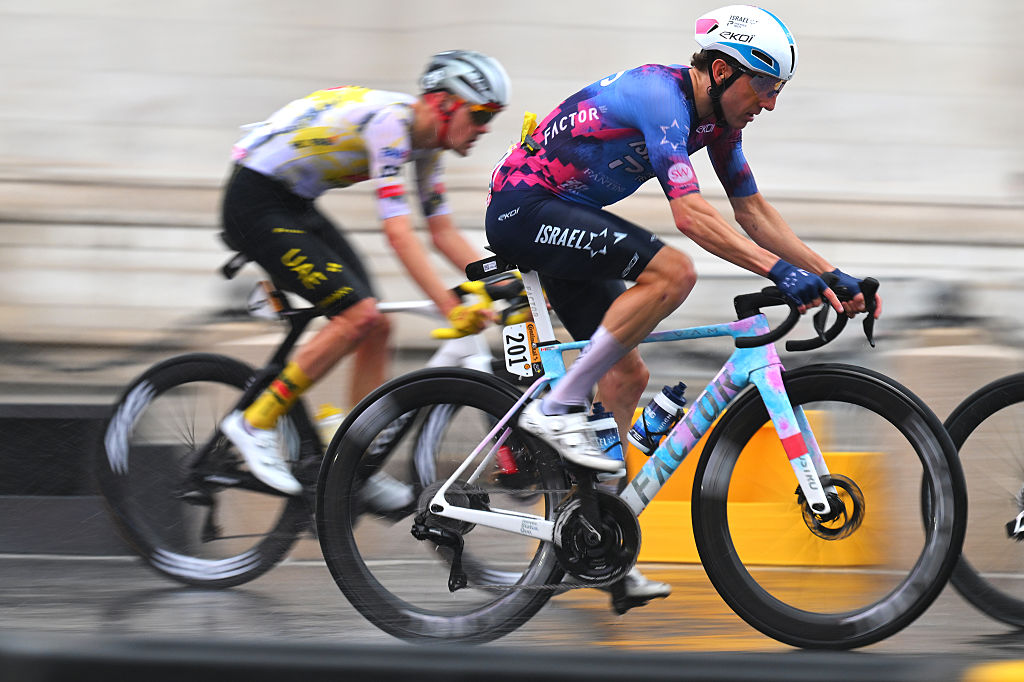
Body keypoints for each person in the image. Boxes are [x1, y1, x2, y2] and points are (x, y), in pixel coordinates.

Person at [485, 5, 881, 607]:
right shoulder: (660, 96)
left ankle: (597, 545)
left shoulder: (718, 126)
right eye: (764, 85)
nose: (770, 103)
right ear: (722, 71)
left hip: (563, 219)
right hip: (523, 210)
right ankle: (558, 406)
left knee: (626, 374)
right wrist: (779, 271)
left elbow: (752, 211)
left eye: (777, 90)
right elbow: (690, 215)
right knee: (673, 271)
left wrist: (829, 274)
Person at [220, 50, 509, 501]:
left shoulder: (427, 143)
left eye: (491, 116)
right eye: (479, 114)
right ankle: (253, 422)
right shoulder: (390, 126)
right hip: (254, 202)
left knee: (377, 325)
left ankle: (350, 455)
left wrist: (502, 280)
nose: (485, 127)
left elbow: (440, 229)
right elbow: (397, 232)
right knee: (357, 315)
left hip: (293, 202)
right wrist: (450, 305)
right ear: (443, 104)